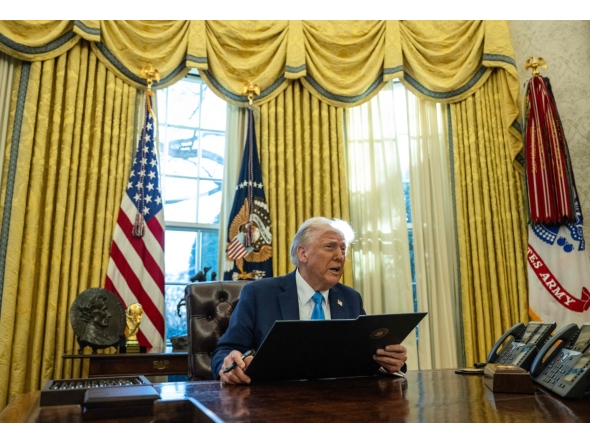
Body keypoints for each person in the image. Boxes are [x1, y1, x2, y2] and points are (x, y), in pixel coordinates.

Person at [212, 217, 408, 384]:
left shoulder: (350, 298)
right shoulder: (259, 294)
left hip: (340, 406)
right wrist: (227, 365)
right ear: (302, 253)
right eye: (330, 247)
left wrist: (390, 362)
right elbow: (226, 351)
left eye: (343, 248)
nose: (340, 256)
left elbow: (367, 355)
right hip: (273, 405)